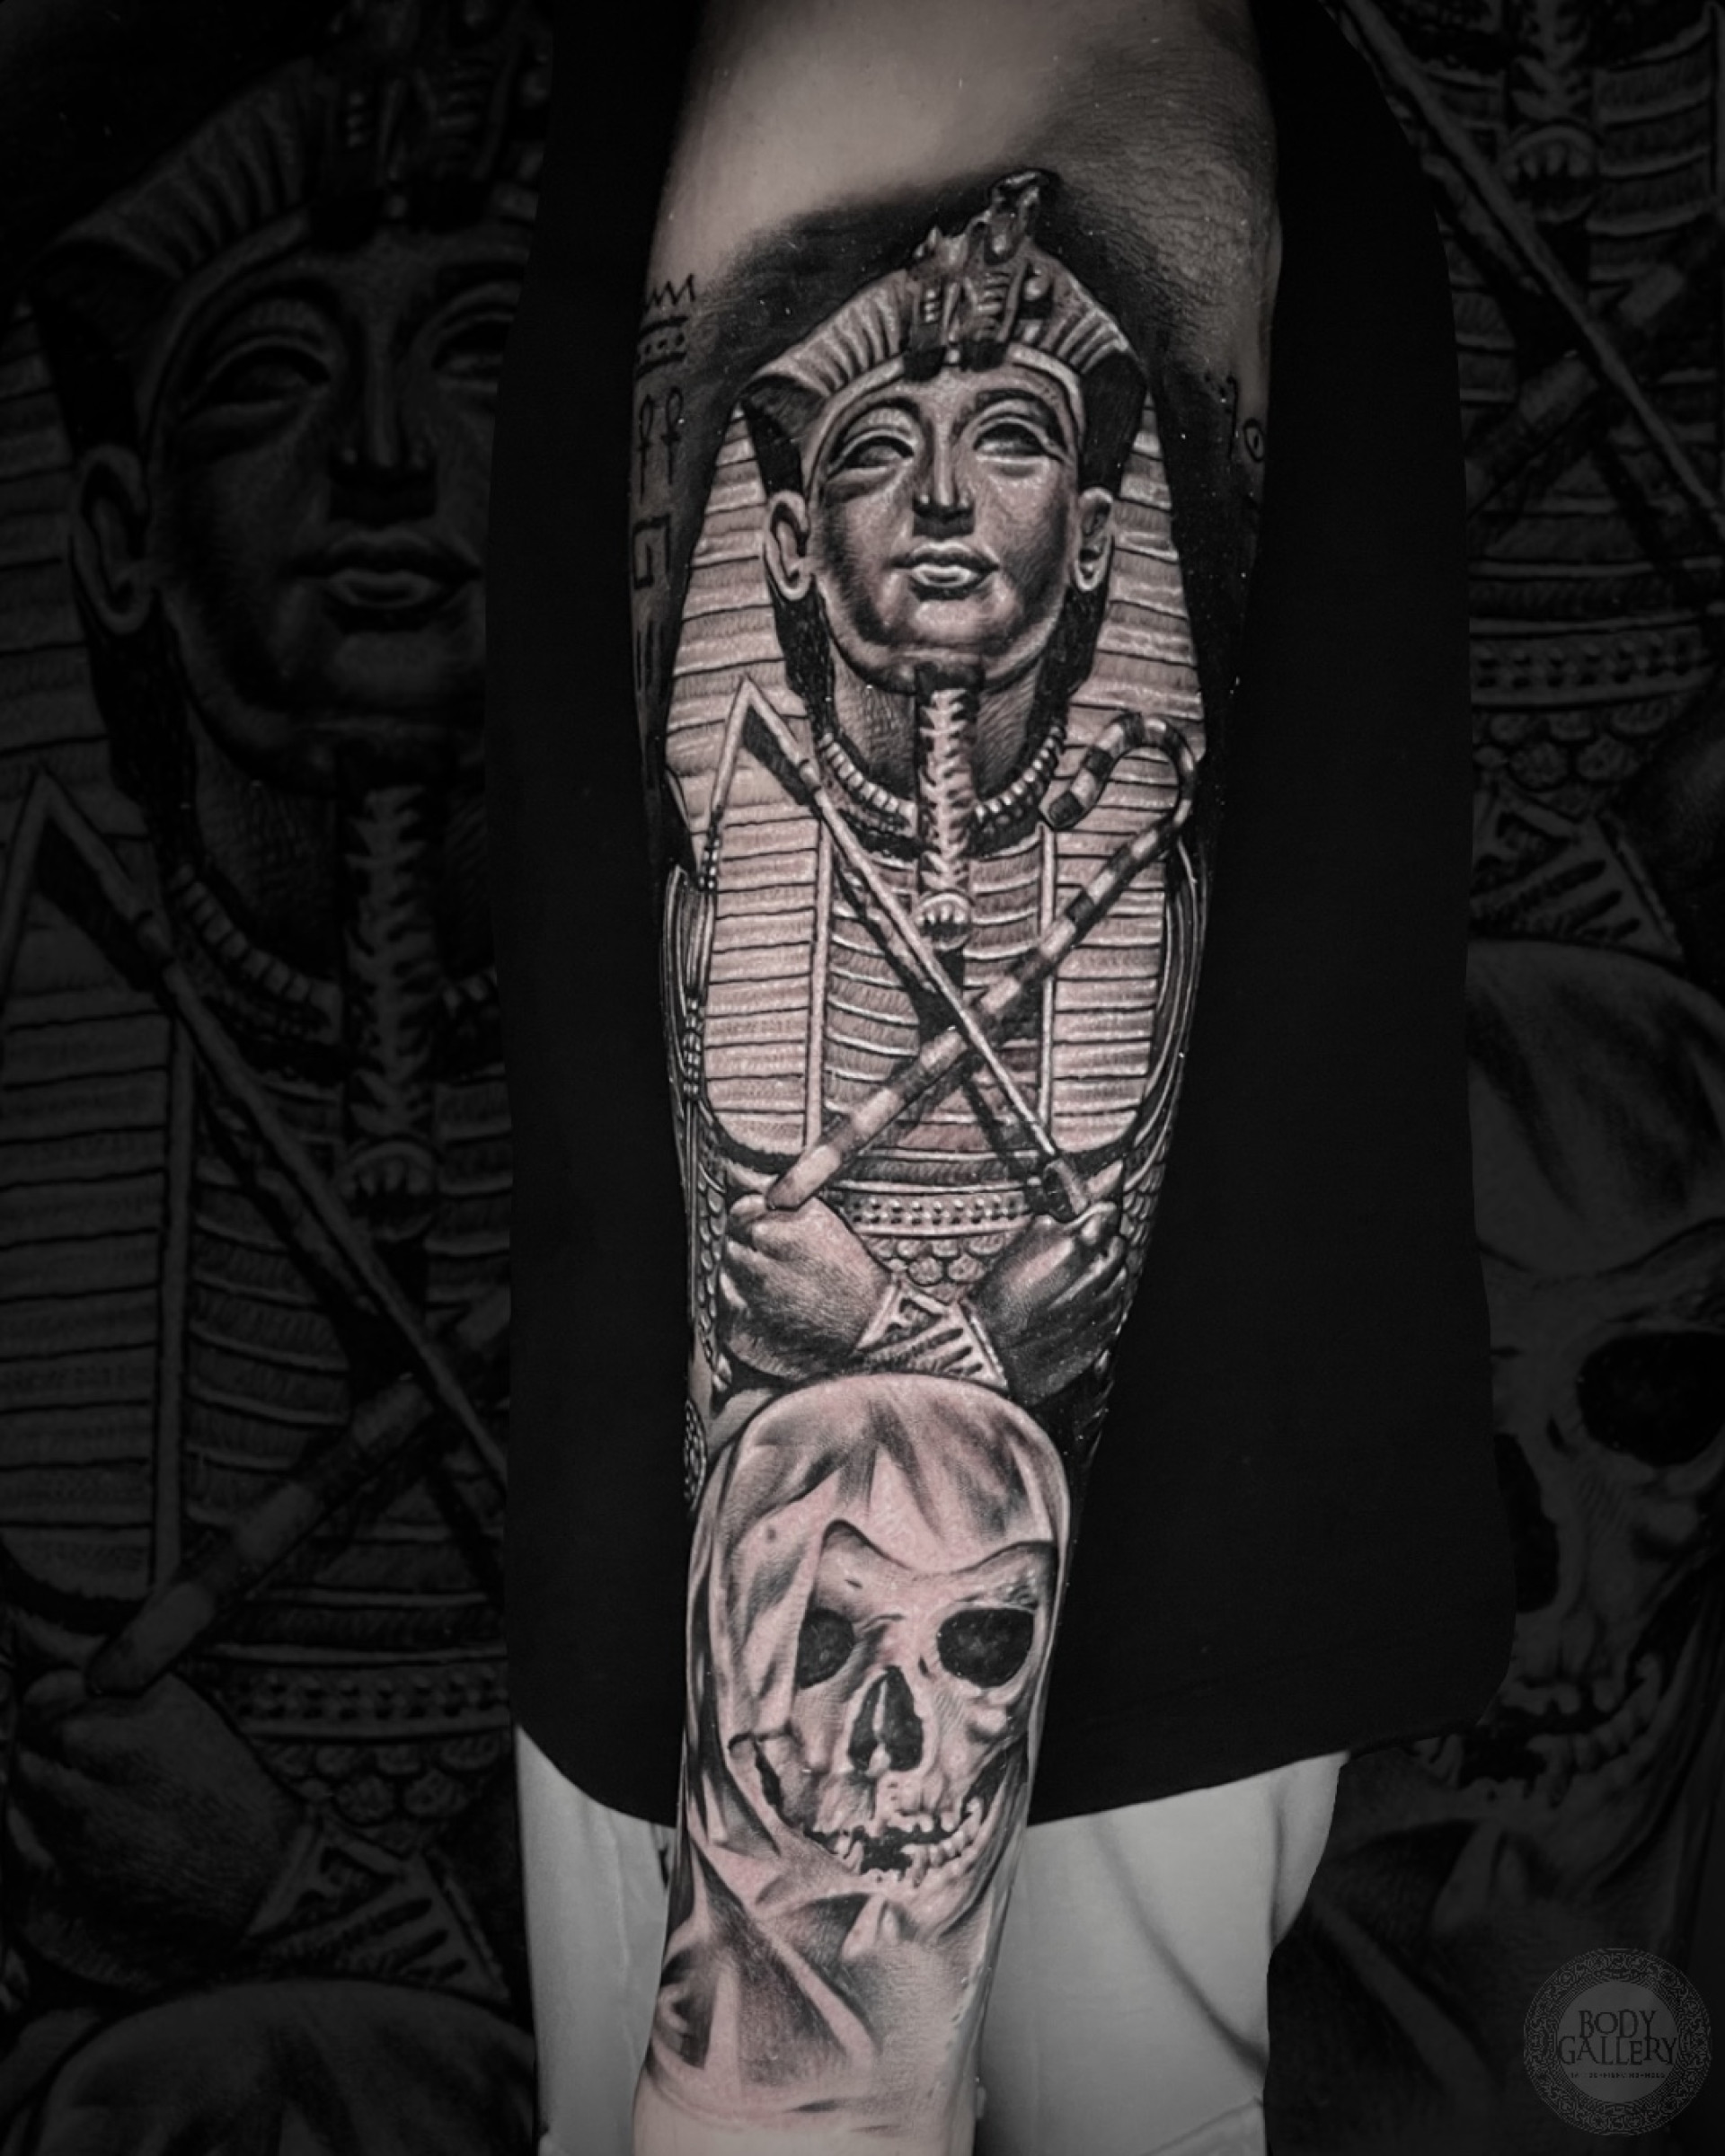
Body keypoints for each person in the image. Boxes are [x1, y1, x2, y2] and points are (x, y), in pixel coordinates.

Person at [491, 2, 1516, 2151]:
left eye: (1014, 440)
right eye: (883, 450)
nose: (949, 499)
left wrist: (799, 2092)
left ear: (1101, 514)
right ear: (794, 539)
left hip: (1076, 1649)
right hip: (746, 1585)